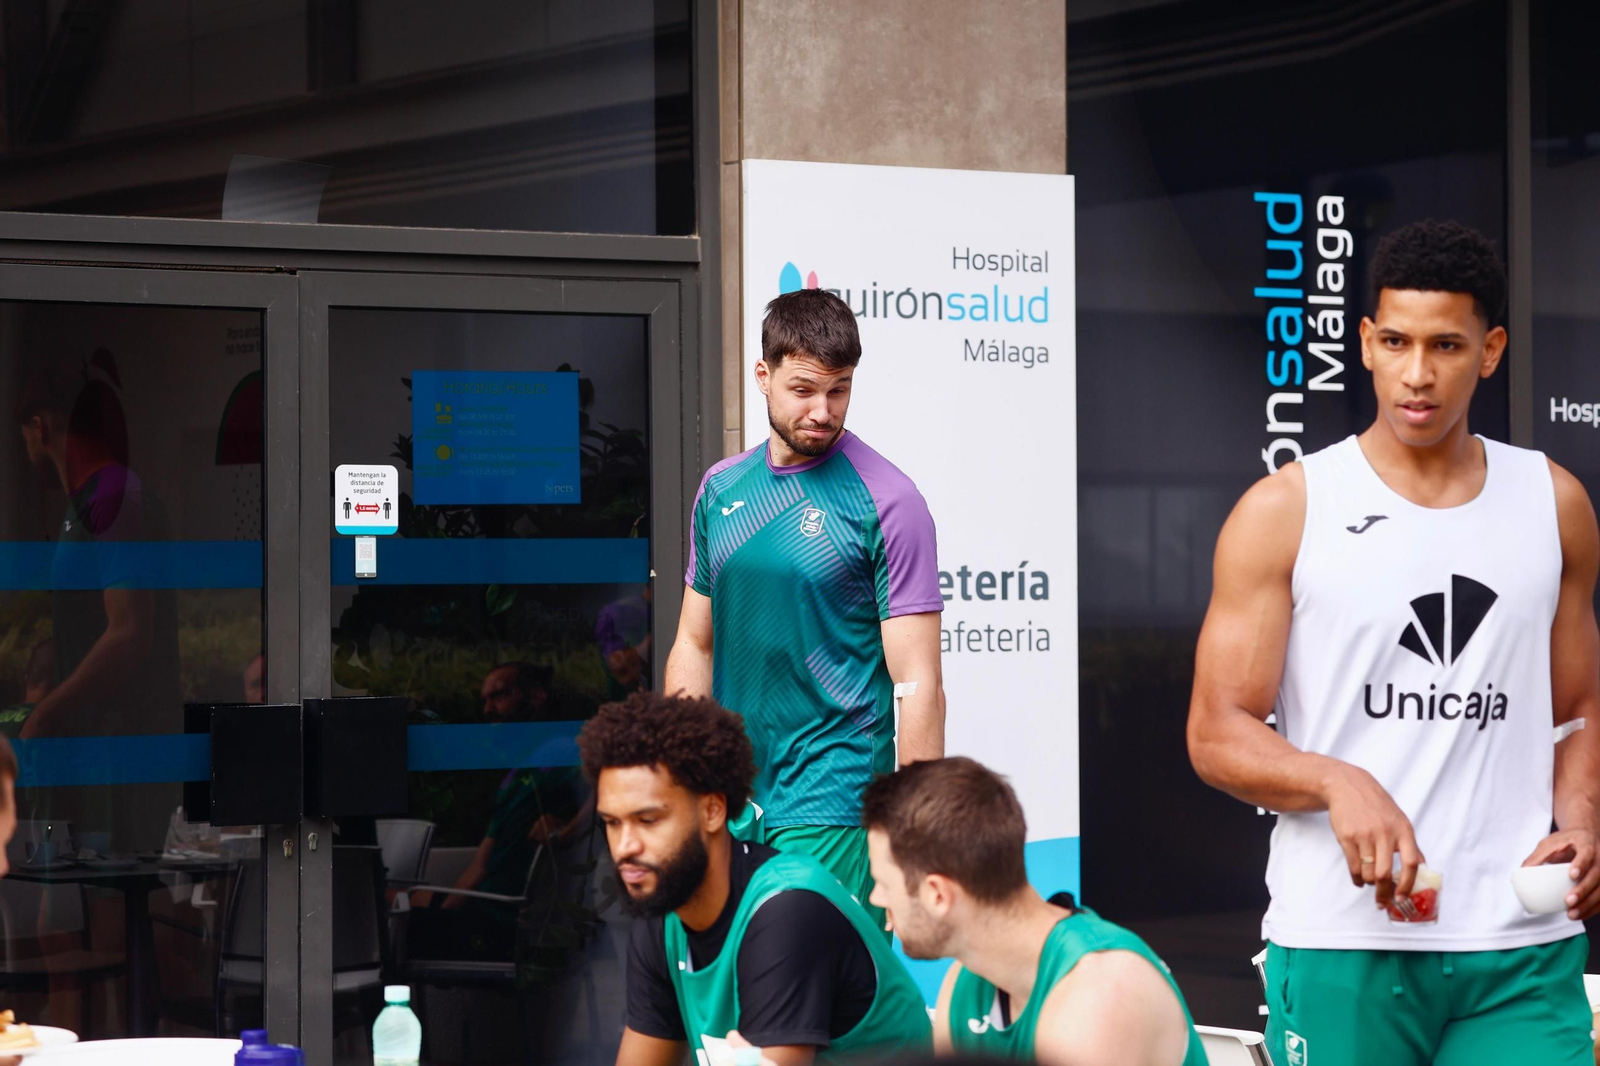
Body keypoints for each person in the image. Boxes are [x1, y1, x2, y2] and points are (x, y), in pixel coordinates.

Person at [1187, 220, 1599, 1065]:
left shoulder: (1553, 503)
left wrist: (1582, 823)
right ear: (1367, 343)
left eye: (1446, 345)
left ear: (1490, 351)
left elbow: (1579, 707)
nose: (1418, 374)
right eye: (1398, 343)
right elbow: (1216, 731)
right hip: (1346, 942)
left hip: (1519, 947)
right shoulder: (1288, 509)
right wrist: (1337, 780)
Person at [664, 287, 945, 925]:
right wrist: (684, 775)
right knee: (740, 983)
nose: (823, 410)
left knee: (814, 982)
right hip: (733, 798)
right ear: (762, 377)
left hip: (834, 802)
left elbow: (918, 682)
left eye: (839, 390)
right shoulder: (721, 488)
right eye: (804, 390)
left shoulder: (889, 501)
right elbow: (694, 643)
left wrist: (914, 837)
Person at [579, 690, 931, 1066]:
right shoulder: (665, 909)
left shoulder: (787, 910)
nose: (625, 846)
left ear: (713, 811)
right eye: (612, 823)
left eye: (648, 820)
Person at [861, 757, 1206, 1066]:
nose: (876, 898)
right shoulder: (963, 983)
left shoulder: (1099, 996)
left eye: (883, 884)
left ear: (937, 894)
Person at [13, 355, 179, 855]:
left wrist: (44, 714)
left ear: (40, 427)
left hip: (122, 758)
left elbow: (129, 635)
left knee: (123, 895)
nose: (26, 451)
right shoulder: (88, 503)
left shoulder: (113, 495)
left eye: (24, 437)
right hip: (100, 754)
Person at [408, 662, 585, 959]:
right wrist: (445, 916)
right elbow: (479, 867)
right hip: (479, 908)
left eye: (499, 695)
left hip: (503, 922)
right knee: (388, 899)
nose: (487, 709)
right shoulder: (514, 776)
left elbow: (610, 791)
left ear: (536, 697)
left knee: (389, 919)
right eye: (485, 700)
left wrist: (567, 831)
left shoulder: (561, 752)